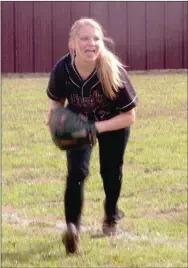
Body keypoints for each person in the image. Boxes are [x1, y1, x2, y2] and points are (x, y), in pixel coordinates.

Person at [46, 17, 138, 254]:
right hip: (79, 124)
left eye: (96, 38)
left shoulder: (111, 70)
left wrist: (96, 128)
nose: (91, 43)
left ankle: (110, 215)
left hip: (112, 123)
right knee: (76, 173)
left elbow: (129, 116)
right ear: (72, 44)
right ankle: (72, 229)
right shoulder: (63, 69)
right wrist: (54, 118)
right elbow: (56, 102)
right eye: (84, 38)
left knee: (110, 172)